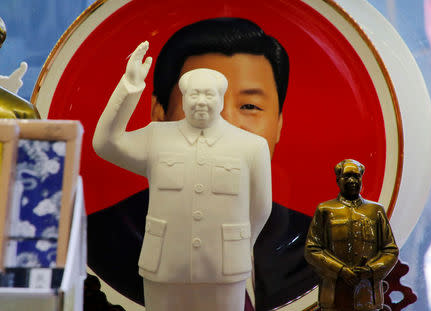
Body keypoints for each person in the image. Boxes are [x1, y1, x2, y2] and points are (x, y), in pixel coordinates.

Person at [88, 17, 318, 310]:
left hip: (223, 268)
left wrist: (237, 245)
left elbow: (260, 208)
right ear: (177, 102)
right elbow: (106, 144)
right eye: (192, 94)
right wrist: (129, 87)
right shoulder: (157, 137)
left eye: (249, 106)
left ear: (219, 99)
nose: (200, 101)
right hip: (165, 264)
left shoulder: (250, 146)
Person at [304, 159, 399, 311]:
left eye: (356, 176)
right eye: (347, 176)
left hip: (368, 296)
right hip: (334, 295)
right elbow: (312, 249)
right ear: (338, 180)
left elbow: (390, 250)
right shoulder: (325, 210)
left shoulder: (376, 211)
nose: (352, 181)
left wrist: (371, 269)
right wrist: (340, 270)